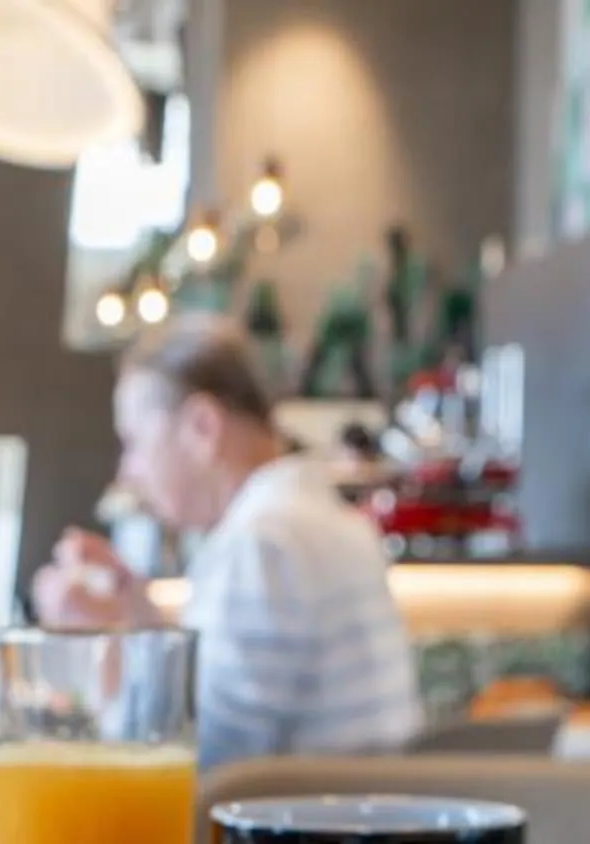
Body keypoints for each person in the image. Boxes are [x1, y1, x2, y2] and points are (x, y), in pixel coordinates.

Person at [33, 314, 423, 767]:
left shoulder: (260, 542)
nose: (128, 471)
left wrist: (106, 648)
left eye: (134, 441)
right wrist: (140, 621)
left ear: (202, 427)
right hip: (350, 807)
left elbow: (191, 764)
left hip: (294, 813)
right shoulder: (324, 518)